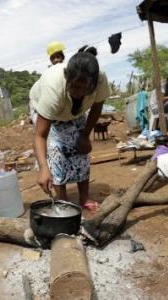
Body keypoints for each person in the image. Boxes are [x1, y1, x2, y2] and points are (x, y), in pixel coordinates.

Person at [30, 46, 109, 210]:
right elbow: (40, 135)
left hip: (74, 112)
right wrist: (44, 168)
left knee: (81, 150)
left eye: (83, 89)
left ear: (93, 84)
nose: (77, 93)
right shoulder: (53, 88)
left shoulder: (100, 80)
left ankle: (84, 197)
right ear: (67, 77)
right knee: (57, 154)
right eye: (73, 87)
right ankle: (63, 202)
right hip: (47, 110)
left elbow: (96, 108)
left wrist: (86, 135)